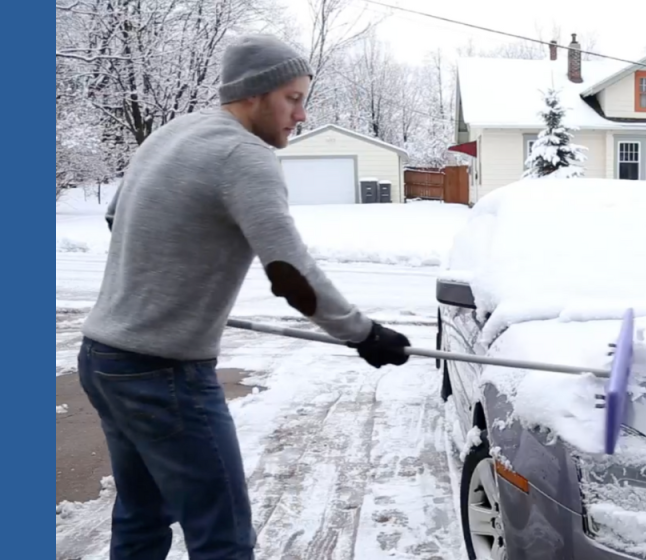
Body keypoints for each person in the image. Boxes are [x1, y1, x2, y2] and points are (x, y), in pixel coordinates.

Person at [76, 34, 412, 560]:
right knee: (223, 536)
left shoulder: (171, 134)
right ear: (255, 95)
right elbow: (289, 272)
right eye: (292, 98)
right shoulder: (243, 155)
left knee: (141, 520)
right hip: (165, 375)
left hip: (103, 358)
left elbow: (118, 216)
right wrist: (363, 334)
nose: (301, 114)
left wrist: (169, 289)